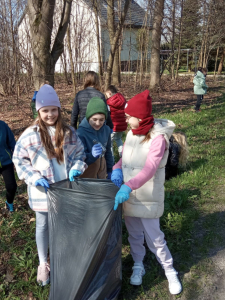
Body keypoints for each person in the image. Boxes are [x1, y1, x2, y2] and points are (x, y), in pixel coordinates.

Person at [13, 84, 87, 286]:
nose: (50, 114)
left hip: (65, 190)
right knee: (43, 225)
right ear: (38, 111)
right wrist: (33, 177)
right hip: (42, 193)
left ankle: (63, 257)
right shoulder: (30, 134)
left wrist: (77, 167)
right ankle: (43, 263)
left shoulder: (69, 132)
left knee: (63, 225)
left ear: (59, 110)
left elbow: (80, 154)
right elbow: (19, 160)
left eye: (53, 110)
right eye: (45, 111)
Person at [111, 90, 182, 295]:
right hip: (130, 195)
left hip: (147, 196)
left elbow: (150, 168)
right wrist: (116, 169)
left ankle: (169, 270)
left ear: (139, 117)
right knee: (134, 234)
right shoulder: (132, 133)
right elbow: (126, 159)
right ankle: (138, 264)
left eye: (127, 116)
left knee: (155, 238)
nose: (125, 119)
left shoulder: (158, 139)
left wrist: (127, 185)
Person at [77, 97, 113, 179]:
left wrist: (110, 169)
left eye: (101, 120)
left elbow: (108, 151)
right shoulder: (81, 133)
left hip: (101, 172)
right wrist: (91, 156)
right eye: (94, 119)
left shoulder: (106, 130)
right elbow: (79, 159)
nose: (98, 123)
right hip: (87, 173)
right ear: (88, 117)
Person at [105, 85, 127, 158]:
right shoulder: (123, 100)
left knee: (110, 143)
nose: (107, 96)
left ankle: (112, 160)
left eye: (107, 94)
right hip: (122, 125)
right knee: (118, 139)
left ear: (110, 93)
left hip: (113, 126)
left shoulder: (109, 102)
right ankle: (122, 156)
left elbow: (107, 114)